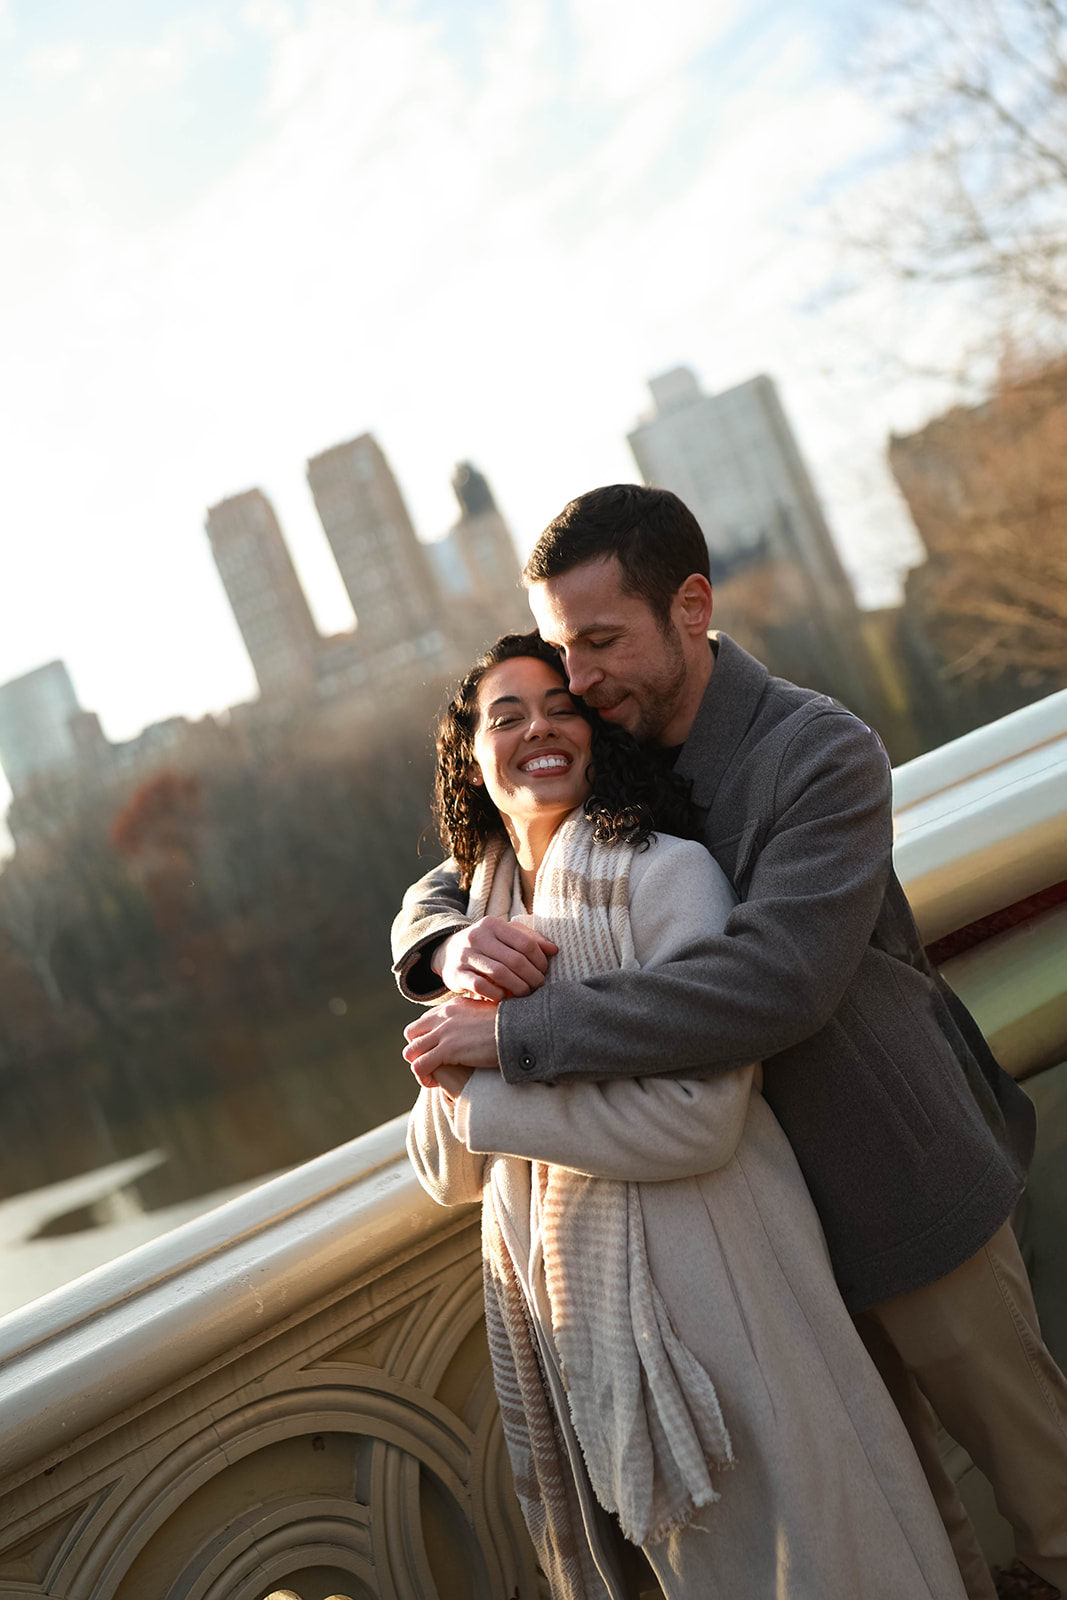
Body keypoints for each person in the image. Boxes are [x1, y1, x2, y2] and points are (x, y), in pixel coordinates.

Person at [394, 485, 1067, 1600]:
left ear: (690, 607)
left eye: (602, 642)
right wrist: (445, 942)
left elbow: (773, 984)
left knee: (1040, 1492)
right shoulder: (604, 746)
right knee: (906, 1518)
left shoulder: (816, 753)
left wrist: (515, 1034)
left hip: (898, 1186)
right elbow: (467, 845)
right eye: (565, 653)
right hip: (757, 1240)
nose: (581, 681)